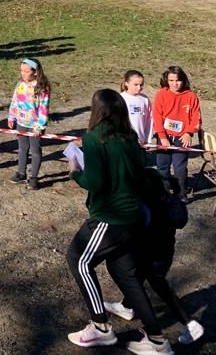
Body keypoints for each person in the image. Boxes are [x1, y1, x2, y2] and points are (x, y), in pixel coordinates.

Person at [65, 89, 173, 354]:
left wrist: (75, 172)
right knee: (126, 275)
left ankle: (100, 326)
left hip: (111, 216)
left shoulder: (93, 138)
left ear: (97, 111)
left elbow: (95, 182)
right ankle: (158, 341)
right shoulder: (131, 138)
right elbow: (140, 174)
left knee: (78, 259)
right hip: (134, 216)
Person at [103, 172, 205, 346]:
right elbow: (180, 221)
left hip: (149, 253)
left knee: (158, 286)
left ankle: (190, 323)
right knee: (139, 277)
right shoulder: (172, 201)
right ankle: (127, 306)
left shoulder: (147, 205)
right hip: (165, 253)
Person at [152, 66, 201, 196]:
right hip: (164, 136)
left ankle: (181, 192)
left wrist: (188, 132)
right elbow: (156, 116)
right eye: (171, 80)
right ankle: (165, 191)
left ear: (183, 80)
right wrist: (162, 136)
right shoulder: (162, 94)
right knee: (162, 166)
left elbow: (196, 117)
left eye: (178, 80)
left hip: (182, 138)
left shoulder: (191, 96)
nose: (175, 84)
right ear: (167, 80)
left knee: (180, 167)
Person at [7, 58, 51, 190]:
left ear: (36, 72)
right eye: (21, 71)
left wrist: (39, 126)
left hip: (35, 126)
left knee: (35, 151)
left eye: (26, 71)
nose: (23, 74)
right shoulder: (20, 85)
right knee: (22, 149)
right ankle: (21, 173)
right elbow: (14, 101)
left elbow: (44, 108)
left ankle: (34, 178)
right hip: (21, 123)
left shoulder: (42, 88)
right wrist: (11, 117)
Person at [119, 69, 152, 147]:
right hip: (124, 141)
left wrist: (147, 139)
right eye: (136, 84)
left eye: (141, 84)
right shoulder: (121, 98)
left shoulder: (145, 99)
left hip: (141, 142)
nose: (139, 87)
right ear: (127, 83)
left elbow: (149, 120)